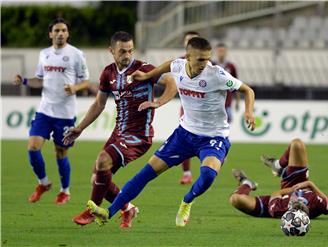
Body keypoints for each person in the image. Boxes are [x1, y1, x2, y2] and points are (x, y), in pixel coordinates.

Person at [86, 37, 256, 227]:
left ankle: (187, 201)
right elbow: (168, 66)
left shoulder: (217, 74)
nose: (205, 63)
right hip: (184, 135)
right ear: (188, 56)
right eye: (200, 59)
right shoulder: (178, 66)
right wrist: (146, 75)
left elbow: (248, 90)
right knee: (146, 174)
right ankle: (108, 212)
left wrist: (248, 112)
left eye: (208, 58)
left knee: (208, 174)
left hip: (213, 137)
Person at [63, 31, 177, 228]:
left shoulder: (143, 68)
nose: (127, 55)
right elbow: (99, 104)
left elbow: (171, 82)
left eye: (130, 51)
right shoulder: (108, 73)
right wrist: (80, 128)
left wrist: (158, 102)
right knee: (97, 178)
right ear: (112, 51)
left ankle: (93, 209)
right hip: (119, 132)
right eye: (122, 51)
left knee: (102, 161)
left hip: (139, 135)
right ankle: (128, 208)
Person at [13, 18, 90, 205]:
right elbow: (40, 80)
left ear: (68, 33)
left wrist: (75, 88)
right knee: (32, 147)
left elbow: (86, 81)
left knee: (61, 153)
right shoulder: (44, 54)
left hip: (65, 114)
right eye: (56, 30)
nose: (60, 33)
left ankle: (65, 191)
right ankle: (44, 183)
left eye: (63, 30)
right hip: (45, 110)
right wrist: (23, 81)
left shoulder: (76, 54)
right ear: (50, 34)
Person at [229, 138, 328, 219]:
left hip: (275, 199)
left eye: (295, 206)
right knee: (297, 144)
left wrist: (293, 190)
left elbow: (276, 194)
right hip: (301, 182)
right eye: (301, 206)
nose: (299, 203)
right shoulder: (316, 205)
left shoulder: (280, 209)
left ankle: (247, 183)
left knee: (235, 199)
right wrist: (310, 185)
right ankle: (278, 165)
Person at [178, 31, 200, 185]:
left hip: (206, 109)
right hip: (186, 108)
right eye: (188, 40)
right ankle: (187, 173)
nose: (190, 43)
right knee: (184, 140)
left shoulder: (207, 62)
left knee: (205, 139)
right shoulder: (178, 62)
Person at [215, 43, 240, 123]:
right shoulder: (212, 65)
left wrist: (237, 101)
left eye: (223, 51)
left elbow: (237, 84)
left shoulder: (231, 66)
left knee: (227, 123)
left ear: (226, 52)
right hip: (213, 102)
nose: (221, 53)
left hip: (227, 102)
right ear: (216, 52)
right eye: (219, 51)